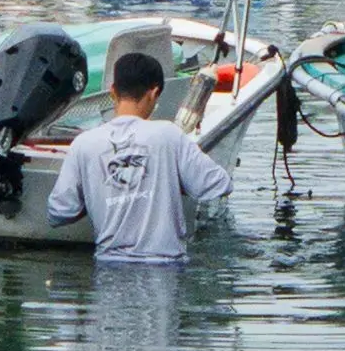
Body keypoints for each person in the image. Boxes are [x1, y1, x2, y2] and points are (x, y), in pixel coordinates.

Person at [47, 51, 234, 264]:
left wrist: (95, 194)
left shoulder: (83, 144)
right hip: (165, 266)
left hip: (109, 267)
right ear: (154, 94)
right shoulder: (168, 134)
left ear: (113, 92)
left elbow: (58, 213)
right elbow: (220, 184)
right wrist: (174, 180)